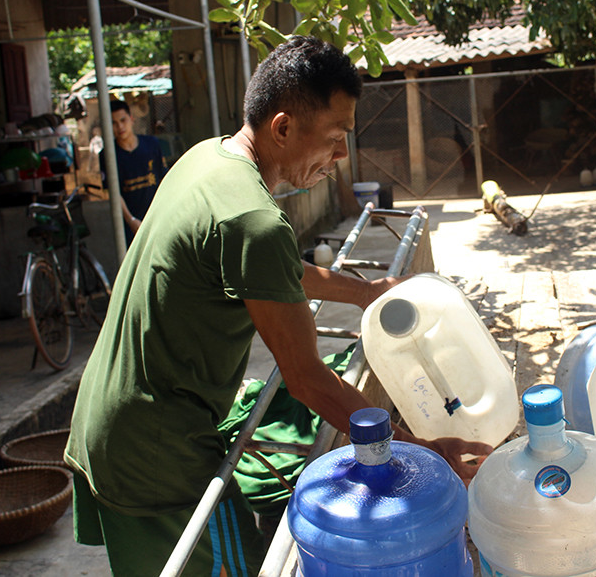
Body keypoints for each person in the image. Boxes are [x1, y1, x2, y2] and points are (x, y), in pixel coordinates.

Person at [65, 36, 492, 577]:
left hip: (112, 421)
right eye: (335, 139)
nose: (341, 156)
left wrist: (363, 291)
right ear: (284, 127)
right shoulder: (255, 221)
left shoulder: (208, 158)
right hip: (158, 451)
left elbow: (274, 275)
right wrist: (418, 454)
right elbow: (307, 380)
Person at [101, 99, 168, 244]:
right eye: (113, 123)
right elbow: (113, 193)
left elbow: (164, 179)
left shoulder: (152, 145)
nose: (120, 127)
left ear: (131, 119)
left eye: (123, 120)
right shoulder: (107, 154)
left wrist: (164, 212)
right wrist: (131, 220)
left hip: (158, 218)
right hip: (130, 225)